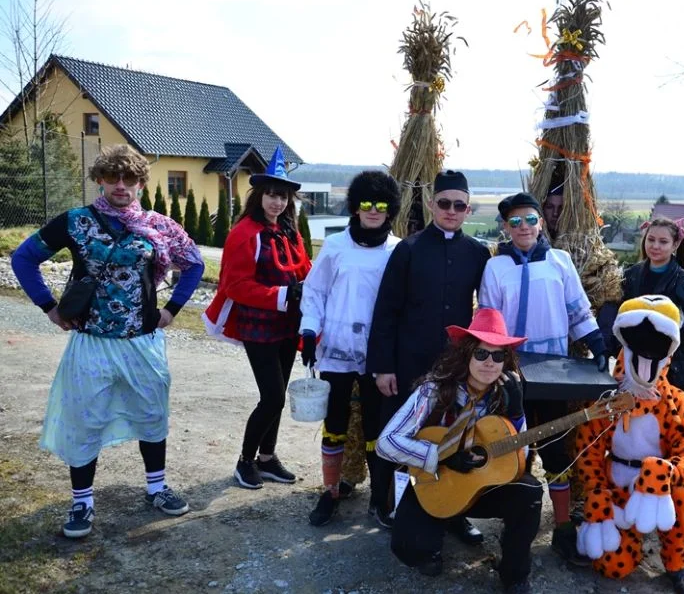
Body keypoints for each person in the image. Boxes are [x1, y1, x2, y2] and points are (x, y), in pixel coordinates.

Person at [10, 144, 204, 538]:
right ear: (99, 179)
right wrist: (49, 306)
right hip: (92, 342)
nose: (121, 185)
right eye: (112, 177)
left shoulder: (160, 225)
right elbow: (23, 259)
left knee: (152, 414)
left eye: (129, 178)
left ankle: (157, 488)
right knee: (85, 420)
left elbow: (194, 263)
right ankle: (81, 502)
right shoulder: (76, 222)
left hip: (142, 342)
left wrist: (172, 310)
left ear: (140, 183)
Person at [478, 191, 609, 565]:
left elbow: (577, 309)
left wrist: (596, 342)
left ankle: (563, 529)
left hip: (552, 372)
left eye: (530, 220)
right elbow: (489, 320)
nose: (524, 227)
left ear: (541, 222)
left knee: (555, 450)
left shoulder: (559, 262)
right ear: (505, 227)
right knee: (512, 448)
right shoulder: (495, 268)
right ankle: (513, 523)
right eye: (515, 221)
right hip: (510, 373)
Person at [376, 308, 542, 594]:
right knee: (411, 548)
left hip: (481, 486)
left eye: (498, 355)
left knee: (530, 494)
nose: (489, 363)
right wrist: (441, 456)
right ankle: (446, 522)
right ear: (465, 354)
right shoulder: (434, 390)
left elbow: (521, 461)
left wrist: (516, 414)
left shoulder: (507, 394)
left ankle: (514, 573)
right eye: (480, 354)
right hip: (435, 480)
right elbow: (386, 442)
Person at [367, 169, 491, 540]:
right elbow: (385, 310)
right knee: (396, 432)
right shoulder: (408, 249)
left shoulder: (478, 254)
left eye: (459, 205)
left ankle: (453, 510)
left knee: (454, 435)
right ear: (431, 204)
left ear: (468, 210)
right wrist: (382, 367)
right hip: (408, 363)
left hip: (455, 366)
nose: (451, 211)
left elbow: (486, 310)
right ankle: (385, 502)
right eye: (444, 203)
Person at [576, 295, 684, 594]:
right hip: (618, 486)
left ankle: (678, 563)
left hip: (662, 488)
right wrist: (596, 494)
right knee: (612, 565)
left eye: (657, 342)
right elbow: (588, 450)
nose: (647, 350)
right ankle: (626, 539)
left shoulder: (678, 402)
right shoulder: (606, 400)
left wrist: (668, 473)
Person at [203, 148, 312, 490]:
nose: (277, 202)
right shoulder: (244, 233)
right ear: (259, 196)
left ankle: (267, 459)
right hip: (258, 325)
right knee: (274, 397)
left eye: (283, 196)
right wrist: (282, 296)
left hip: (286, 325)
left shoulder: (289, 232)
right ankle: (245, 461)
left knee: (276, 396)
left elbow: (304, 270)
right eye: (271, 195)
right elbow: (235, 285)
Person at [301, 171, 401, 526]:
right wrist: (309, 330)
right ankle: (329, 493)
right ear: (355, 208)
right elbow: (315, 292)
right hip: (336, 351)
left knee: (377, 427)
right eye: (365, 203)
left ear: (390, 210)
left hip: (377, 356)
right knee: (335, 423)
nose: (373, 210)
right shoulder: (335, 246)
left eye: (381, 205)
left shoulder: (397, 250)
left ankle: (379, 498)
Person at [615, 217, 684, 393]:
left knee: (665, 418)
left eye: (663, 242)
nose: (655, 246)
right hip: (632, 360)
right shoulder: (631, 275)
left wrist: (666, 324)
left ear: (675, 245)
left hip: (670, 367)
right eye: (651, 239)